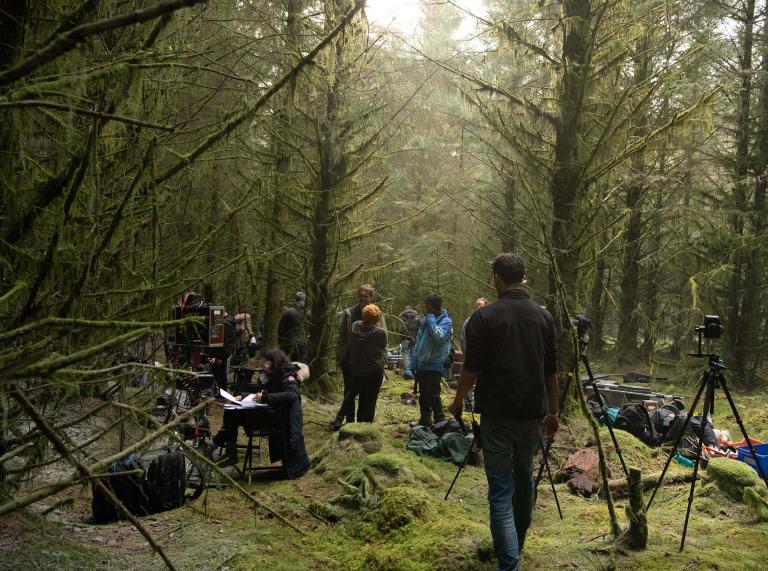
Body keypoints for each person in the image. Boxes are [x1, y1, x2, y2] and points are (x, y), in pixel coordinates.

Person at [448, 253, 558, 571]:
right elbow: (551, 371)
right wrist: (553, 412)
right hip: (532, 415)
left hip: (496, 415)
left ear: (498, 278)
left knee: (500, 488)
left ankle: (509, 562)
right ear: (522, 278)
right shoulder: (544, 317)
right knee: (524, 477)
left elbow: (471, 368)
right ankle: (515, 544)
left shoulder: (485, 318)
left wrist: (457, 401)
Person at [208, 347, 310, 479]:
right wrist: (243, 396)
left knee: (233, 415)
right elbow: (262, 393)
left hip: (278, 418)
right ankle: (229, 450)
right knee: (231, 412)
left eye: (266, 363)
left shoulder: (287, 376)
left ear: (275, 362)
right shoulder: (272, 375)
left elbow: (292, 394)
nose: (263, 365)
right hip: (268, 412)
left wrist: (266, 398)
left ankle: (217, 445)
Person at [329, 304, 387, 430]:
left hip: (357, 369)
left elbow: (358, 323)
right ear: (377, 319)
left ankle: (340, 418)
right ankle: (366, 425)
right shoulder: (380, 332)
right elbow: (383, 347)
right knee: (370, 398)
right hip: (374, 370)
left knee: (351, 393)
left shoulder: (355, 327)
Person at [411, 293, 453, 427]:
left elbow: (438, 336)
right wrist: (414, 362)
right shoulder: (426, 320)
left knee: (434, 394)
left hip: (435, 364)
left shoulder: (446, 321)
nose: (425, 307)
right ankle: (425, 419)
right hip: (422, 364)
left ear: (432, 305)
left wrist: (430, 319)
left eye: (427, 304)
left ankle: (439, 420)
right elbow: (419, 342)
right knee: (423, 395)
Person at [459, 297, 489, 412]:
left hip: (486, 358)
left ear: (486, 305)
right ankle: (468, 404)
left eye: (480, 305)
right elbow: (463, 339)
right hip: (471, 356)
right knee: (469, 379)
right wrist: (467, 354)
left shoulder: (490, 320)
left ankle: (482, 404)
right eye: (476, 305)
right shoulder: (469, 321)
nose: (478, 308)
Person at [209, 308, 237, 391]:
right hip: (226, 351)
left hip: (223, 353)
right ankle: (220, 392)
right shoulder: (229, 322)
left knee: (221, 374)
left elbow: (222, 341)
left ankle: (223, 394)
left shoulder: (225, 324)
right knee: (220, 373)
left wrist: (218, 356)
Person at [278, 291, 309, 363]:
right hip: (301, 344)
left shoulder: (288, 312)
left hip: (288, 343)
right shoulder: (307, 314)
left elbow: (280, 329)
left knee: (287, 365)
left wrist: (281, 342)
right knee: (300, 366)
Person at [398, 304, 421, 379]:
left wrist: (400, 339)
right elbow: (421, 328)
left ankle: (407, 372)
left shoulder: (402, 317)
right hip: (415, 339)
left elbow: (401, 329)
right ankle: (413, 371)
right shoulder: (417, 317)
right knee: (413, 354)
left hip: (405, 338)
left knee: (406, 355)